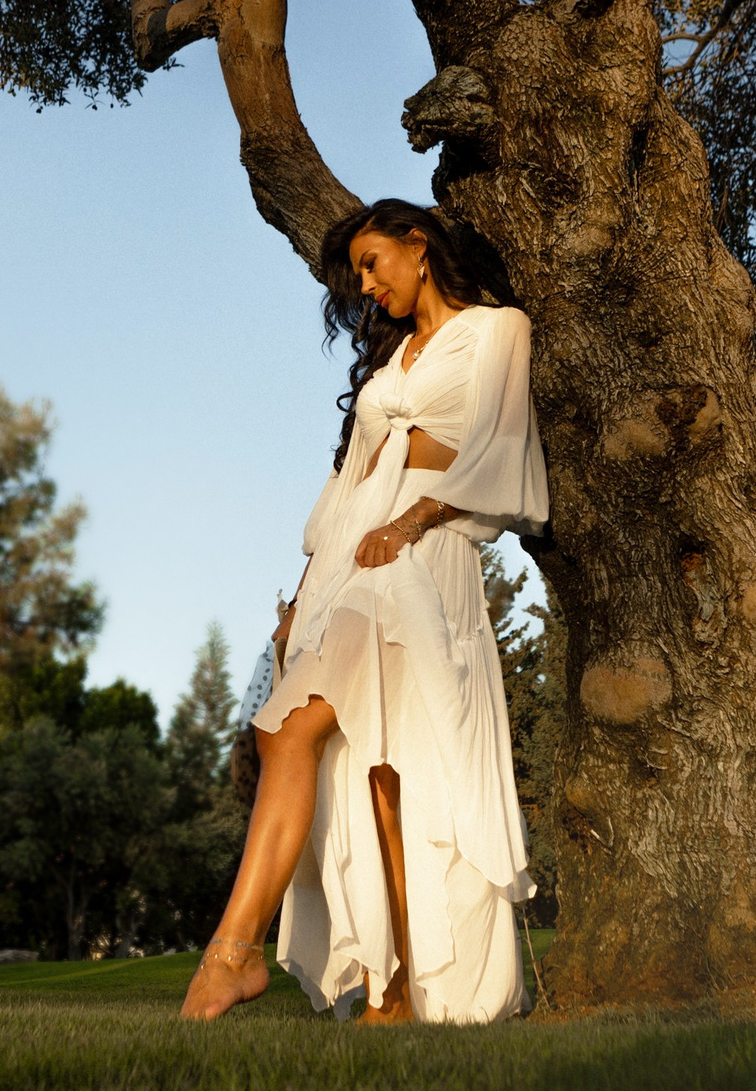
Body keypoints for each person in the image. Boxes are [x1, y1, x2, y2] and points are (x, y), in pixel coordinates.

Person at [181, 198, 548, 1024]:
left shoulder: (497, 332)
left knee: (361, 758)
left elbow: (500, 451)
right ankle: (374, 984)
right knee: (353, 764)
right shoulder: (391, 364)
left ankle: (255, 958)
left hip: (423, 554)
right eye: (357, 275)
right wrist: (302, 595)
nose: (367, 285)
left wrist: (413, 522)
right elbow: (347, 485)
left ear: (418, 244)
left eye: (372, 262)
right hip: (358, 558)